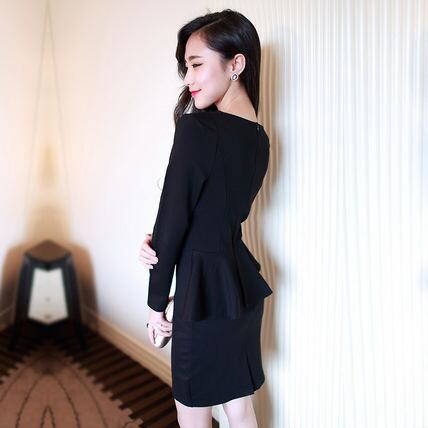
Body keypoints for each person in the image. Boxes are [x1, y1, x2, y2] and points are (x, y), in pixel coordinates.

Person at [138, 9, 273, 428]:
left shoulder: (198, 130)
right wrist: (161, 241)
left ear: (236, 64)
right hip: (238, 288)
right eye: (186, 67)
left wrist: (156, 305)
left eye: (196, 64)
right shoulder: (260, 138)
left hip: (202, 293)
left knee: (193, 415)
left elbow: (174, 221)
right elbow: (214, 216)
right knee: (240, 409)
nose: (188, 79)